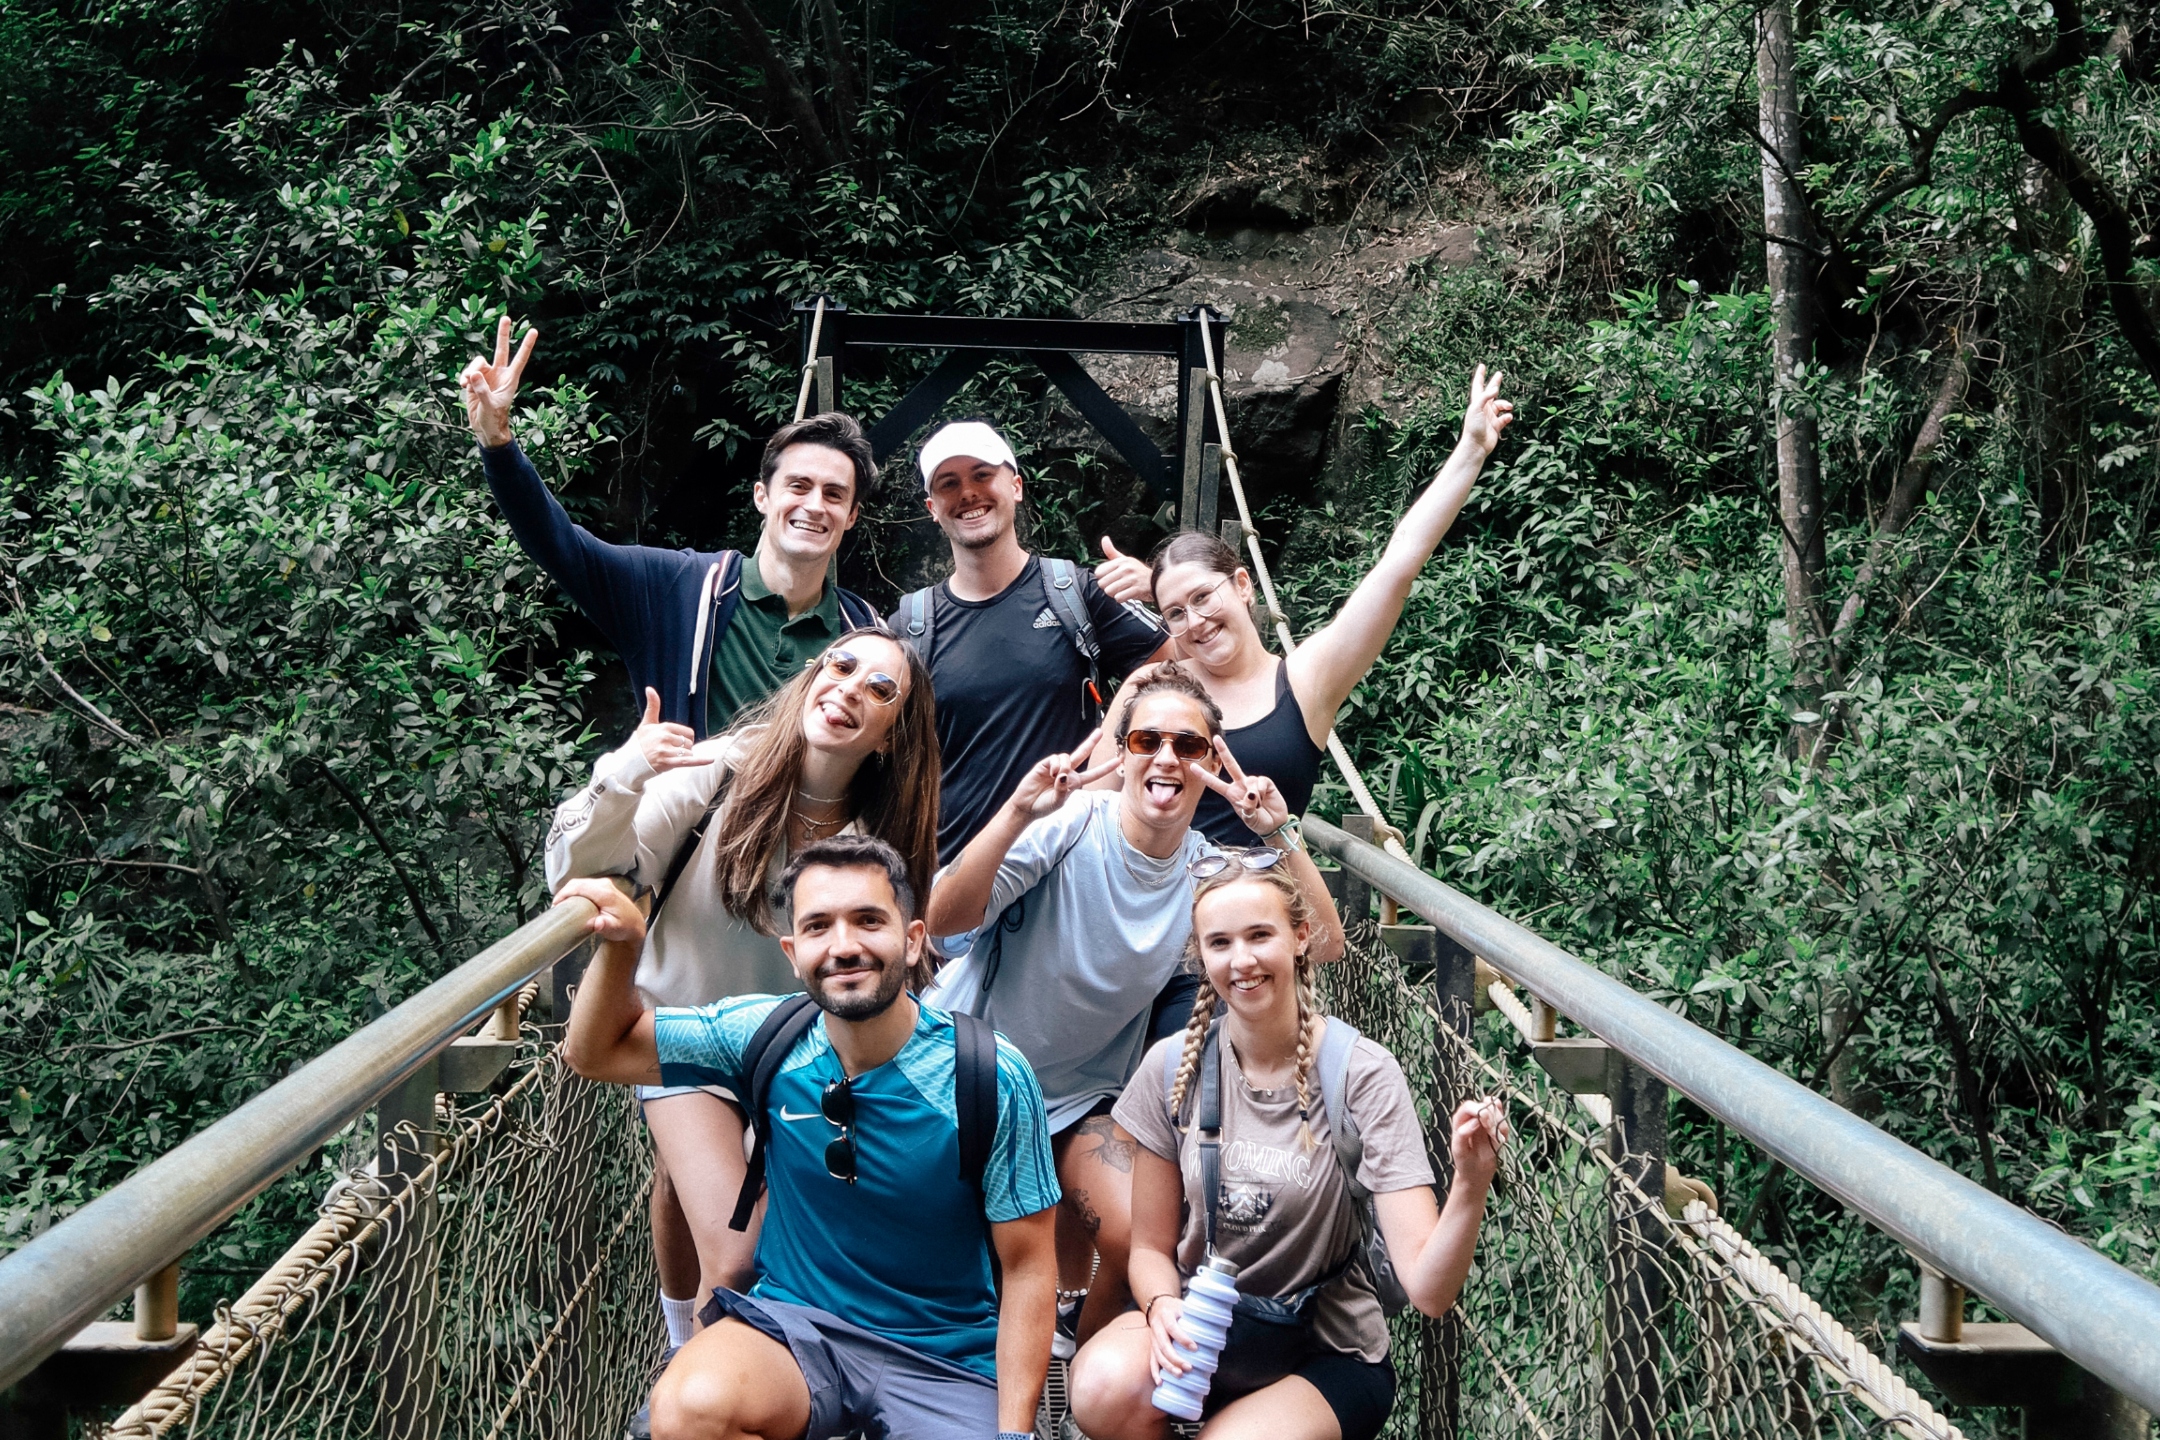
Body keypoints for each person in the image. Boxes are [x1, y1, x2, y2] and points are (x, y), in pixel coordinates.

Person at [557, 835, 1060, 1440]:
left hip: (943, 1355)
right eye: (819, 926)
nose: (843, 946)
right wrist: (625, 948)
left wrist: (1014, 1433)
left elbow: (1029, 1267)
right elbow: (596, 1053)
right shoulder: (766, 1036)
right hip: (796, 1332)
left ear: (913, 939)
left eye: (868, 920)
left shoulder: (988, 1076)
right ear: (793, 954)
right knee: (690, 1411)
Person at [545, 627, 938, 1400]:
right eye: (841, 665)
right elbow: (577, 867)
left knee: (727, 1206)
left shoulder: (878, 837)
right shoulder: (723, 773)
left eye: (880, 689)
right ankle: (684, 1371)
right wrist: (626, 771)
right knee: (734, 1255)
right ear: (814, 674)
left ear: (892, 735)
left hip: (794, 1054)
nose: (849, 688)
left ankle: (717, 1372)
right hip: (676, 1035)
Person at [923, 666, 1344, 1353]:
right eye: (1148, 741)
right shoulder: (1069, 826)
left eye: (1189, 745)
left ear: (1212, 765)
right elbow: (941, 921)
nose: (1167, 758)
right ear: (1121, 756)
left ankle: (1078, 1370)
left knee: (1144, 1237)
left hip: (1077, 1099)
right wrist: (1019, 813)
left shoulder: (1206, 876)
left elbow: (1321, 944)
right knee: (934, 1252)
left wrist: (1278, 832)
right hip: (966, 1070)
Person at [1067, 861, 1506, 1440]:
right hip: (1205, 1329)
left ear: (1300, 937)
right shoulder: (1173, 1067)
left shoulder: (1361, 1074)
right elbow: (1149, 1248)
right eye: (1220, 943)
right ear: (1200, 956)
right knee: (1098, 1388)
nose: (1241, 961)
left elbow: (1430, 1292)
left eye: (1259, 935)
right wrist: (1161, 1305)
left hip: (1325, 1348)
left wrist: (1470, 1183)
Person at [1091, 365, 1514, 843]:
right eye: (1175, 613)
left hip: (1263, 888)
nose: (1196, 621)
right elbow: (1093, 809)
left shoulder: (1305, 682)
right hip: (1157, 888)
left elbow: (1398, 566)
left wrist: (1471, 450)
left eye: (1203, 597)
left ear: (1243, 585)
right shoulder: (1150, 686)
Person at [461, 315, 882, 737]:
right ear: (762, 496)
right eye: (798, 486)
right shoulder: (680, 590)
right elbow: (562, 547)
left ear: (852, 515)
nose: (814, 506)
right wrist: (498, 445)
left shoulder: (864, 636)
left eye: (834, 494)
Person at [894, 419, 1170, 863]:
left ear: (1016, 486)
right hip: (956, 872)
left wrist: (1165, 589)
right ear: (932, 507)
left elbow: (1178, 670)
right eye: (949, 483)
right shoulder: (910, 626)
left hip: (1069, 868)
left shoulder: (1078, 592)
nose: (968, 493)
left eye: (982, 475)